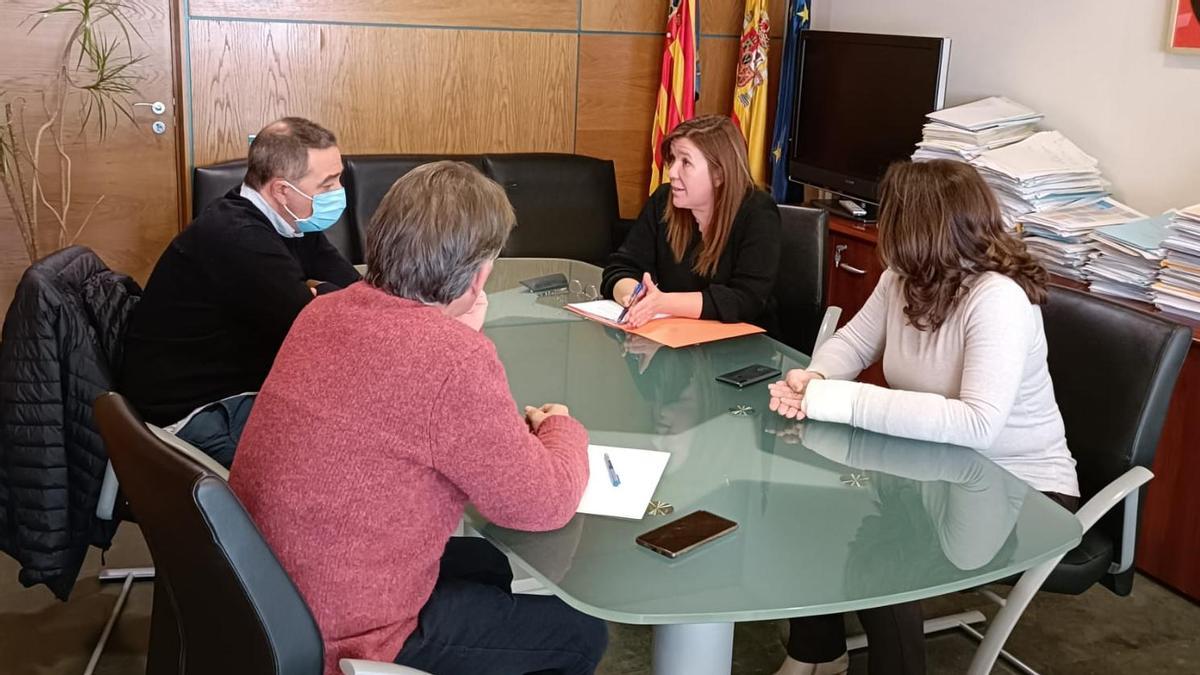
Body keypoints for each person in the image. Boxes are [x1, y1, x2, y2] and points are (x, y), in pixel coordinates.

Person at [228, 160, 607, 675]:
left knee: (488, 565)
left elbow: (400, 413)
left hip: (266, 596)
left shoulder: (324, 311)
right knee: (579, 633)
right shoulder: (451, 359)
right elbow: (541, 505)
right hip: (345, 635)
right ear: (480, 275)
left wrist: (459, 338)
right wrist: (562, 428)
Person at [767, 160, 1080, 675]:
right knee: (815, 508)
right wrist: (816, 378)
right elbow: (854, 341)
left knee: (890, 560)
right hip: (934, 465)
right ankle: (817, 655)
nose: (883, 223)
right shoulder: (903, 278)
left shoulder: (997, 299)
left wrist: (838, 401)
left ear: (919, 227)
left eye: (892, 213)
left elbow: (977, 423)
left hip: (1019, 485)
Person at [119, 117, 360, 466]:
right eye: (328, 183)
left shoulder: (292, 222)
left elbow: (353, 291)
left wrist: (317, 290)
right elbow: (319, 326)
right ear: (281, 190)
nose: (340, 192)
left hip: (239, 387)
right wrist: (317, 295)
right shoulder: (237, 236)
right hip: (195, 414)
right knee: (342, 465)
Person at [601, 114, 781, 332]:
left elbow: (746, 299)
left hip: (741, 347)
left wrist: (663, 303)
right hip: (674, 339)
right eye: (673, 159)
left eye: (685, 162)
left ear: (719, 174)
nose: (673, 172)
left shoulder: (757, 212)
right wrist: (634, 297)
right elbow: (621, 267)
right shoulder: (663, 200)